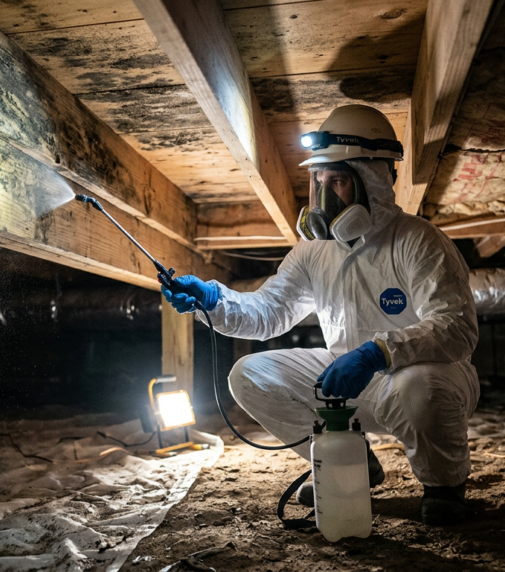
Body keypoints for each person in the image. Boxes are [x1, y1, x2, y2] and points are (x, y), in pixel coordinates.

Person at [162, 105, 479, 526]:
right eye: (319, 182)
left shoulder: (417, 241)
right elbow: (269, 313)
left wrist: (377, 353)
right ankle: (352, 460)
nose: (325, 196)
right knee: (249, 374)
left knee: (419, 386)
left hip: (419, 377)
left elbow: (456, 327)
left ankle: (443, 485)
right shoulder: (313, 252)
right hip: (348, 377)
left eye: (340, 181)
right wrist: (213, 300)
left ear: (374, 182)